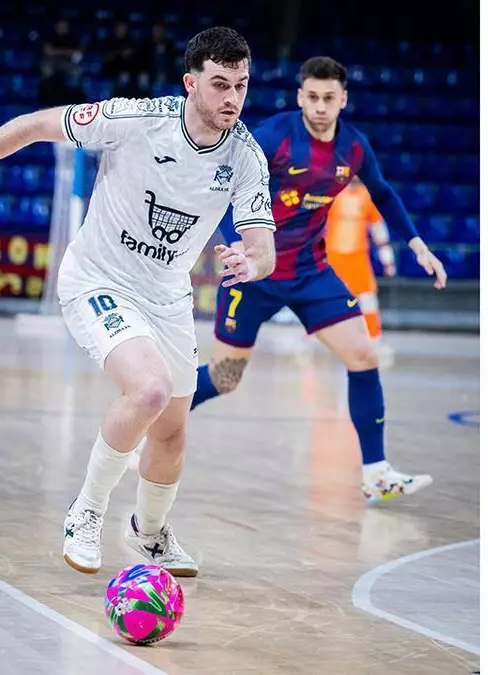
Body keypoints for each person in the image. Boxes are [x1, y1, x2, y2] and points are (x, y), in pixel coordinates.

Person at [0, 27, 276, 577]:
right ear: (190, 84)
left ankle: (150, 532)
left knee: (172, 431)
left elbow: (263, 248)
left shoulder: (247, 157)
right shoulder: (135, 119)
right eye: (219, 84)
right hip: (98, 279)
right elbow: (33, 125)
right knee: (149, 389)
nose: (232, 98)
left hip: (168, 296)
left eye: (241, 85)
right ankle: (86, 510)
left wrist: (251, 263)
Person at [190, 56, 446, 505]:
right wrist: (239, 245)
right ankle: (151, 414)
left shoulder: (353, 147)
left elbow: (383, 192)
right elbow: (225, 187)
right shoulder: (274, 136)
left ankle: (376, 473)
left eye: (329, 98)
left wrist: (415, 242)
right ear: (300, 97)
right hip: (254, 272)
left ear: (343, 99)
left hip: (310, 272)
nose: (321, 106)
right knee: (225, 378)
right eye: (312, 97)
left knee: (364, 355)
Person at [325, 175, 397, 341]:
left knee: (367, 298)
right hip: (332, 257)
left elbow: (379, 230)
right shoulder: (332, 193)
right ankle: (313, 337)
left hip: (357, 258)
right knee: (323, 297)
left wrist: (388, 261)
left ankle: (374, 337)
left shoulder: (368, 197)